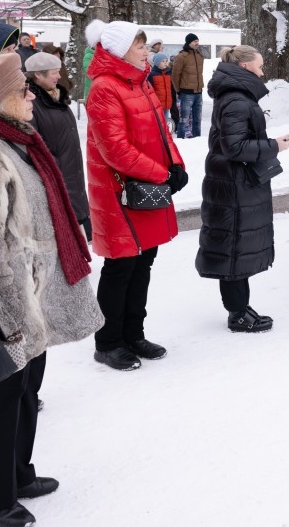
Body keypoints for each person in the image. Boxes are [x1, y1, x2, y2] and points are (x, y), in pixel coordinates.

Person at [0, 53, 103, 527]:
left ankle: (20, 473)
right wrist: (10, 307)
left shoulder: (18, 140)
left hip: (33, 291)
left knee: (27, 390)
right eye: (22, 90)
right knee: (3, 398)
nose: (32, 95)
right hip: (9, 300)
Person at [86, 21, 188, 369]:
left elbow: (163, 131)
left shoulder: (139, 82)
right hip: (120, 193)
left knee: (143, 263)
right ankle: (109, 341)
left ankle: (134, 334)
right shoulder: (104, 88)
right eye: (140, 46)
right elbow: (115, 149)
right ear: (119, 50)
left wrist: (176, 163)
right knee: (121, 267)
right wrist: (161, 174)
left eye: (145, 46)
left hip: (147, 190)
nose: (147, 52)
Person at [196, 46, 289, 330]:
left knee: (237, 244)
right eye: (260, 66)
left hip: (234, 179)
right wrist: (274, 146)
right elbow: (234, 146)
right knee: (235, 244)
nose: (263, 72)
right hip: (234, 181)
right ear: (247, 67)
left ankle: (240, 307)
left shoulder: (236, 95)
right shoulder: (237, 99)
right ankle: (237, 313)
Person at [26, 51, 92, 239]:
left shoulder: (57, 97)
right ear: (38, 75)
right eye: (54, 72)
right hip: (56, 178)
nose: (59, 76)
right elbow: (33, 144)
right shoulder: (31, 102)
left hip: (71, 175)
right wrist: (55, 166)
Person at [171, 33, 205, 138]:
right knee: (184, 119)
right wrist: (178, 90)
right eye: (194, 41)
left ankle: (197, 140)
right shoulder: (182, 56)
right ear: (188, 42)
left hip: (198, 92)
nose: (197, 43)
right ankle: (181, 139)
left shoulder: (199, 55)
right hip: (186, 93)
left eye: (197, 41)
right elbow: (175, 75)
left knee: (197, 120)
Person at [149, 52, 177, 125]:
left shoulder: (168, 73)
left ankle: (164, 135)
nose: (165, 63)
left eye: (166, 61)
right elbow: (149, 90)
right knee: (158, 123)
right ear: (157, 63)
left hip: (167, 103)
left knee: (165, 122)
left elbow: (171, 88)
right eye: (163, 61)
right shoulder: (152, 75)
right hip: (157, 104)